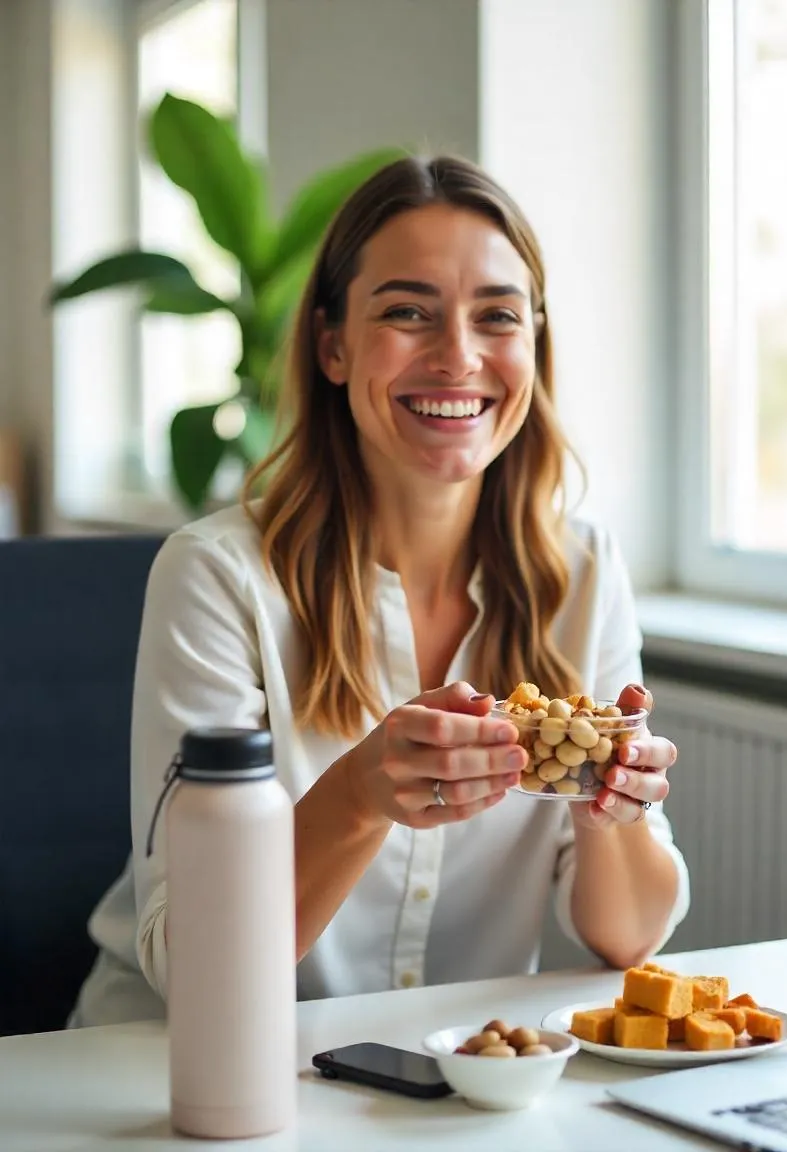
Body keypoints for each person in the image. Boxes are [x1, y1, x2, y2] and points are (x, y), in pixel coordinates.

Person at [69, 155, 689, 1027]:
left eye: (498, 317)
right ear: (332, 345)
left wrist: (611, 806)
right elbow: (195, 963)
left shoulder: (584, 573)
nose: (459, 357)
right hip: (173, 1068)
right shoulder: (217, 576)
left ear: (535, 347)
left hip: (440, 1080)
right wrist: (358, 794)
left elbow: (626, 943)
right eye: (408, 313)